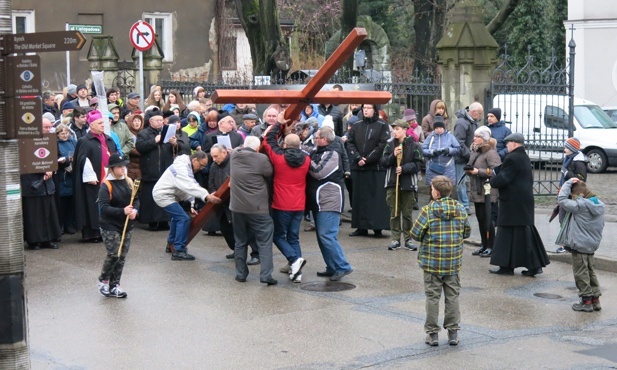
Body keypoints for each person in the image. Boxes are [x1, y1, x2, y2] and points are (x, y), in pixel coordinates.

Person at [411, 175, 471, 347]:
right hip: (452, 262)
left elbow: (415, 234)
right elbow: (466, 232)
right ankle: (453, 333)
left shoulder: (427, 211)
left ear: (436, 193)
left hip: (432, 262)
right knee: (452, 296)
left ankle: (432, 334)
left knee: (432, 297)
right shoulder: (460, 209)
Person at [489, 133, 550, 276]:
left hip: (513, 202)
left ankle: (531, 265)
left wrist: (492, 180)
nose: (506, 146)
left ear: (514, 143)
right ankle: (509, 266)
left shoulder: (513, 158)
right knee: (516, 233)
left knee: (517, 234)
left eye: (508, 143)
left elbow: (503, 179)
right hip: (520, 202)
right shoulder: (522, 156)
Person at [263, 120, 311, 283]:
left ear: (284, 144)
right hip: (299, 204)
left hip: (281, 204)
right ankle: (297, 273)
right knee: (293, 237)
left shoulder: (278, 158)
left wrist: (279, 123)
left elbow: (268, 139)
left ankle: (294, 259)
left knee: (277, 236)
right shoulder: (306, 160)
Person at [153, 151, 222, 260]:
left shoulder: (186, 166)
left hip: (169, 195)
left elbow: (188, 185)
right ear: (194, 160)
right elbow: (189, 185)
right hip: (164, 195)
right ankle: (178, 250)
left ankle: (171, 244)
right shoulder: (181, 168)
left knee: (178, 217)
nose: (202, 168)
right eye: (201, 165)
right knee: (183, 218)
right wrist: (207, 196)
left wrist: (191, 205)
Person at [229, 136, 277, 285]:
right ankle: (266, 275)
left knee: (240, 241)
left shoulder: (235, 155)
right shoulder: (261, 159)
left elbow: (237, 148)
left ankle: (241, 274)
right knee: (264, 241)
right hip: (258, 209)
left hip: (237, 208)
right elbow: (269, 173)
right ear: (257, 148)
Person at [308, 126, 353, 281]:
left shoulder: (333, 153)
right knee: (322, 236)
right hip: (319, 200)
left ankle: (343, 266)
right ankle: (332, 266)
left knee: (327, 235)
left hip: (329, 199)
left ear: (324, 139)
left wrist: (307, 160)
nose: (314, 140)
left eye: (317, 138)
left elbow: (319, 172)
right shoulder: (318, 151)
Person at [557, 179, 604, 312]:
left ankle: (586, 301)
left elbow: (561, 199)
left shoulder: (580, 205)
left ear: (581, 195)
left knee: (580, 272)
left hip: (579, 244)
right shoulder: (599, 204)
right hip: (592, 244)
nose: (572, 199)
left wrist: (568, 183)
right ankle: (595, 300)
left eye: (573, 197)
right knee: (590, 271)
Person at [96, 153, 139, 298]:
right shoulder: (106, 185)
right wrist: (123, 211)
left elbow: (136, 200)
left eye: (124, 166)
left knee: (122, 256)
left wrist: (135, 211)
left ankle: (115, 285)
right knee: (114, 253)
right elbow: (104, 207)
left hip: (127, 224)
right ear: (112, 169)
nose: (123, 169)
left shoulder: (129, 182)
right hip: (110, 224)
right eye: (119, 167)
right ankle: (103, 280)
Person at [73, 110, 119, 243]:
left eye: (103, 123)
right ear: (91, 125)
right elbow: (82, 160)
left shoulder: (108, 139)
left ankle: (108, 230)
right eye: (99, 123)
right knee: (92, 206)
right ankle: (93, 233)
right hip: (93, 180)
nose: (103, 125)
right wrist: (90, 175)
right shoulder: (85, 141)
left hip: (109, 178)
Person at [346, 103, 390, 237]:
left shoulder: (382, 125)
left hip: (375, 168)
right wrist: (358, 157)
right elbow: (350, 142)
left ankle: (377, 227)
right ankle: (361, 227)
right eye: (364, 108)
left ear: (374, 110)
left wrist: (368, 159)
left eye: (369, 108)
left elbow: (383, 144)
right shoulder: (357, 125)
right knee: (359, 198)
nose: (366, 110)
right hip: (358, 167)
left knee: (375, 198)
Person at [380, 119, 423, 251]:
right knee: (394, 212)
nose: (395, 132)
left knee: (407, 213)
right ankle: (395, 239)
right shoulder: (389, 145)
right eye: (394, 129)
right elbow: (383, 162)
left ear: (405, 130)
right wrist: (393, 156)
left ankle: (408, 239)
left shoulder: (414, 146)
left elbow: (419, 164)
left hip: (408, 184)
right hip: (393, 183)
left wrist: (404, 168)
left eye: (398, 129)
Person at [21, 117, 62, 250]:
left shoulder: (50, 140)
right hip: (33, 182)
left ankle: (48, 239)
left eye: (50, 127)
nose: (48, 130)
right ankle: (34, 240)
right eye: (46, 127)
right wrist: (43, 169)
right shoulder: (27, 141)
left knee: (48, 212)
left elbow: (55, 157)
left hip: (47, 183)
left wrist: (52, 168)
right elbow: (26, 160)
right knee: (34, 213)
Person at [466, 126, 501, 257]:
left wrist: (478, 172)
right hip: (477, 190)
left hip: (488, 191)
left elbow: (496, 171)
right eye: (474, 136)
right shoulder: (476, 151)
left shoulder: (491, 153)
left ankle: (491, 246)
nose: (474, 139)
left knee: (488, 220)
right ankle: (484, 244)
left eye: (478, 137)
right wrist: (469, 170)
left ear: (484, 139)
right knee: (481, 219)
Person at [555, 137, 589, 253]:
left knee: (567, 220)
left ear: (572, 149)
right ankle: (565, 244)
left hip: (573, 195)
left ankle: (569, 245)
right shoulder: (568, 159)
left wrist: (567, 173)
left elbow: (581, 179)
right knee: (562, 219)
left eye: (566, 147)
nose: (564, 149)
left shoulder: (579, 162)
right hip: (565, 194)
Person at [453, 102, 483, 212]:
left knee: (469, 182)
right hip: (462, 159)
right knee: (461, 183)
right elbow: (459, 143)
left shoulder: (473, 122)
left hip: (470, 157)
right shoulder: (462, 123)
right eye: (480, 113)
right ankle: (464, 206)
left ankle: (467, 204)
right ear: (473, 112)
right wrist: (471, 156)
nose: (481, 116)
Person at [422, 116, 461, 196]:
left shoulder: (450, 137)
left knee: (447, 189)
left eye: (440, 127)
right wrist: (433, 152)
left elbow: (458, 149)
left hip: (447, 168)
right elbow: (423, 150)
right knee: (433, 190)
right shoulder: (430, 137)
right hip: (433, 168)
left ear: (444, 128)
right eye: (437, 128)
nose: (439, 129)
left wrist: (449, 151)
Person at [55, 123, 77, 235]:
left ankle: (69, 225)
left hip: (72, 175)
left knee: (71, 203)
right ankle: (60, 226)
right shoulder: (55, 144)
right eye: (62, 134)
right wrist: (67, 160)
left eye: (66, 133)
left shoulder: (73, 142)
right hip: (62, 177)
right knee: (62, 204)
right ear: (57, 134)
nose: (65, 135)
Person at [126, 113, 144, 180]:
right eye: (135, 121)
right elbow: (130, 148)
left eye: (139, 121)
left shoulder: (143, 134)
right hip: (131, 166)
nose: (137, 123)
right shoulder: (128, 134)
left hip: (141, 167)